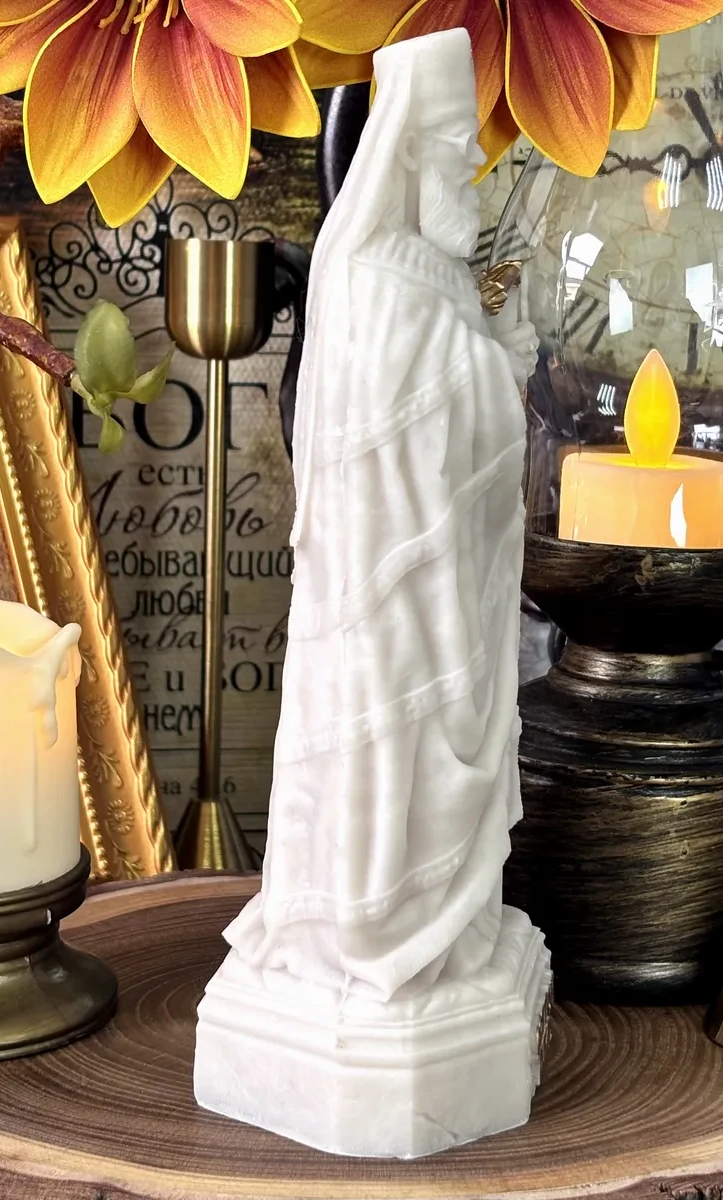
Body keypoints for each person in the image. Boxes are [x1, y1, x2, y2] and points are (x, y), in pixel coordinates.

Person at [196, 28, 548, 1157]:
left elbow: (471, 380)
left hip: (442, 592)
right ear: (404, 155)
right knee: (381, 773)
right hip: (387, 594)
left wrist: (496, 338)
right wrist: (491, 358)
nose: (464, 184)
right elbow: (415, 427)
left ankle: (428, 928)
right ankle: (374, 930)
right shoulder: (374, 275)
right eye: (452, 163)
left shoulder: (426, 270)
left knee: (430, 770)